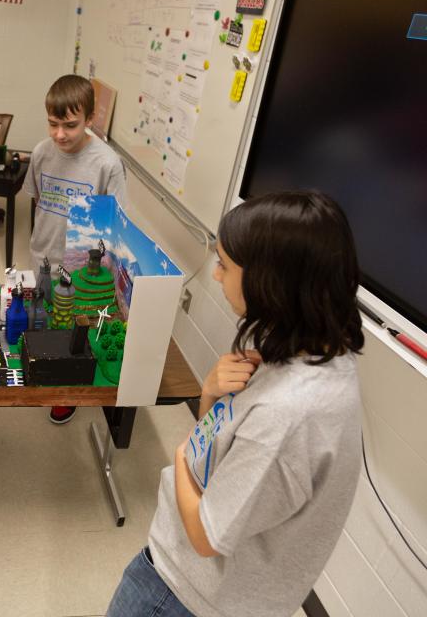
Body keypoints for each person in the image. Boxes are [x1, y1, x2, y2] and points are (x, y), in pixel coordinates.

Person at [106, 191, 365, 617]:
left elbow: (206, 533)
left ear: (270, 282)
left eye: (226, 264)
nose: (215, 274)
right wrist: (210, 397)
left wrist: (181, 457)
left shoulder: (290, 415)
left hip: (182, 595)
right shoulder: (318, 351)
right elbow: (228, 457)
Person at [22, 74, 126, 425]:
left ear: (91, 119)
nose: (59, 134)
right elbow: (37, 201)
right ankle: (43, 372)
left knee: (74, 332)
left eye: (70, 125)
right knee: (45, 322)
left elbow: (114, 225)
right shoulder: (40, 152)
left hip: (80, 268)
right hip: (43, 259)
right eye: (53, 124)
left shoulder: (107, 164)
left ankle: (66, 393)